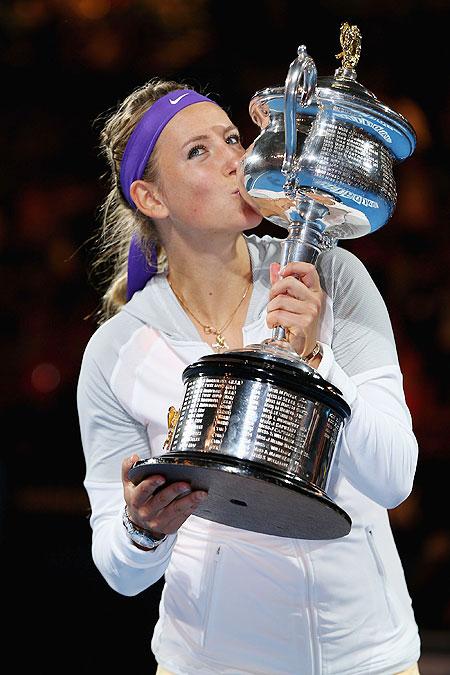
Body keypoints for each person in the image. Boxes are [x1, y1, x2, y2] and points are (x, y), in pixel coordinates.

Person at [77, 78, 421, 675]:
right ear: (150, 198)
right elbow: (118, 569)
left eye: (234, 138)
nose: (237, 158)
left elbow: (393, 478)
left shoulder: (330, 277)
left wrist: (319, 357)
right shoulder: (118, 350)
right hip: (213, 662)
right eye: (199, 151)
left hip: (368, 657)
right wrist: (143, 530)